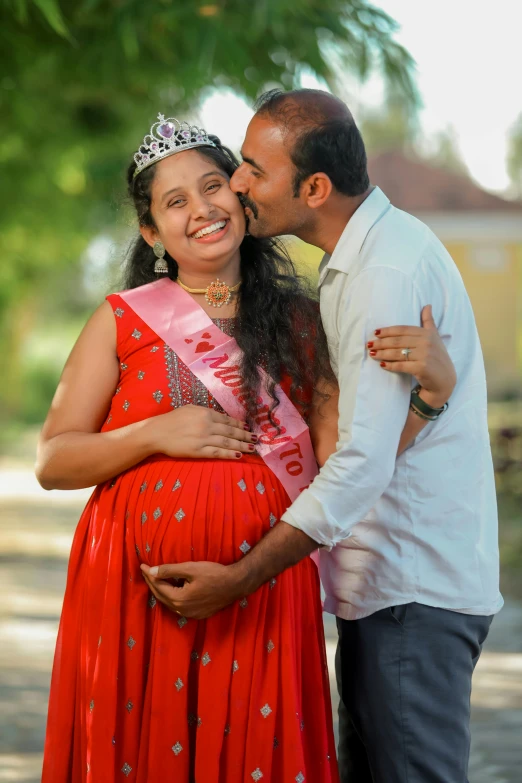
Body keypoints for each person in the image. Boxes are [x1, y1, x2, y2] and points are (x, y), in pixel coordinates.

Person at [38, 113, 455, 783]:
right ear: (152, 232)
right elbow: (53, 459)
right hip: (131, 595)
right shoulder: (121, 319)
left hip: (261, 594)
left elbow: (348, 458)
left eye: (213, 187)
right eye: (176, 202)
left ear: (239, 193)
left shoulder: (300, 321)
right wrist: (153, 432)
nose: (202, 209)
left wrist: (431, 395)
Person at [144, 90, 503, 783]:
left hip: (413, 587)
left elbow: (361, 462)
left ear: (314, 187)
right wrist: (431, 402)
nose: (239, 183)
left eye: (254, 168)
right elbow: (368, 441)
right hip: (388, 587)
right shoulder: (353, 262)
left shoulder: (383, 272)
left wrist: (244, 577)